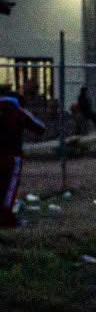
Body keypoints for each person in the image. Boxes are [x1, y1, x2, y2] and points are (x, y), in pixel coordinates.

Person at [0, 84, 47, 229]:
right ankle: (6, 219)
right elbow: (40, 128)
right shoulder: (17, 111)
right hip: (12, 155)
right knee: (9, 188)